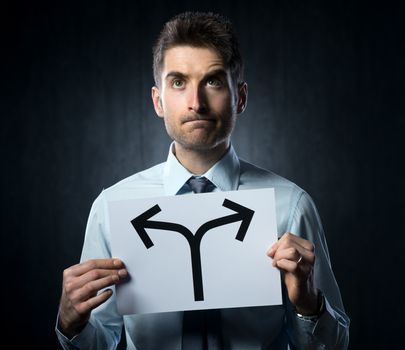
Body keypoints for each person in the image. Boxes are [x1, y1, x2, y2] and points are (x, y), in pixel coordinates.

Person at [56, 11, 350, 349]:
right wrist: (71, 324)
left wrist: (309, 307)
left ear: (239, 97)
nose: (196, 103)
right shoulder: (111, 208)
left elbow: (337, 345)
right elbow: (99, 341)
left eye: (212, 80)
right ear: (158, 101)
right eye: (178, 82)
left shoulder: (291, 206)